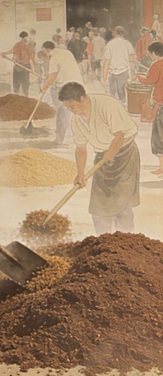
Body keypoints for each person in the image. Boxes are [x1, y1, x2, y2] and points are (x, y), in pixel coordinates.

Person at [59, 82, 140, 235]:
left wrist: (111, 153)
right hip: (103, 157)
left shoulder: (106, 105)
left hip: (125, 153)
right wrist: (80, 174)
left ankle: (127, 241)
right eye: (67, 108)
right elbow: (81, 149)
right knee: (98, 207)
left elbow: (120, 135)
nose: (70, 110)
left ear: (82, 98)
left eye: (71, 106)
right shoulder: (76, 120)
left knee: (122, 204)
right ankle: (103, 239)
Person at [41, 41, 82, 144]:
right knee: (74, 110)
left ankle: (59, 139)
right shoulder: (67, 53)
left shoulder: (54, 58)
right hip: (78, 85)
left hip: (65, 87)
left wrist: (45, 86)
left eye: (44, 51)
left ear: (46, 50)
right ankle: (75, 136)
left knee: (62, 111)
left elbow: (53, 75)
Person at [136, 41, 163, 175]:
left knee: (159, 136)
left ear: (153, 53)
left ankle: (162, 167)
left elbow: (149, 81)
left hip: (160, 105)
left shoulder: (157, 65)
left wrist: (139, 77)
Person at [102, 26, 136, 104]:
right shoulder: (127, 44)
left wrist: (104, 76)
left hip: (112, 73)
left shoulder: (110, 44)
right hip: (124, 72)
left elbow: (107, 61)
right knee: (123, 95)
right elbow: (132, 59)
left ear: (115, 33)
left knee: (112, 95)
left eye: (113, 32)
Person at [0, 31, 35, 96]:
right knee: (19, 84)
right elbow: (12, 51)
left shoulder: (26, 46)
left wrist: (4, 53)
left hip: (23, 67)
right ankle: (19, 97)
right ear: (24, 38)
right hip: (18, 67)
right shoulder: (20, 45)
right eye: (26, 38)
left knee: (22, 85)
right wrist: (4, 53)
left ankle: (23, 97)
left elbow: (30, 58)